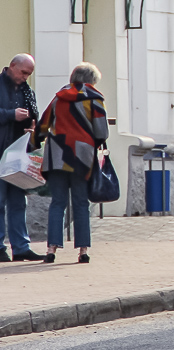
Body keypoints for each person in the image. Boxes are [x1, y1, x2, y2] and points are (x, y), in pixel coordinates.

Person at [35, 62, 108, 264]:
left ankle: (51, 249)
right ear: (91, 80)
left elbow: (43, 125)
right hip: (81, 157)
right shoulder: (95, 99)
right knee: (81, 204)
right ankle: (83, 251)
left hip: (56, 155)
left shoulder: (58, 98)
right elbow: (102, 132)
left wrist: (34, 142)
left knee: (57, 203)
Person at [0, 54, 40, 262]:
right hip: (0, 152)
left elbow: (35, 114)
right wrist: (10, 114)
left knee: (18, 201)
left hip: (17, 154)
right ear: (12, 66)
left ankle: (21, 247)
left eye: (29, 74)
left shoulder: (27, 91)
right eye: (24, 72)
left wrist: (32, 127)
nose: (25, 77)